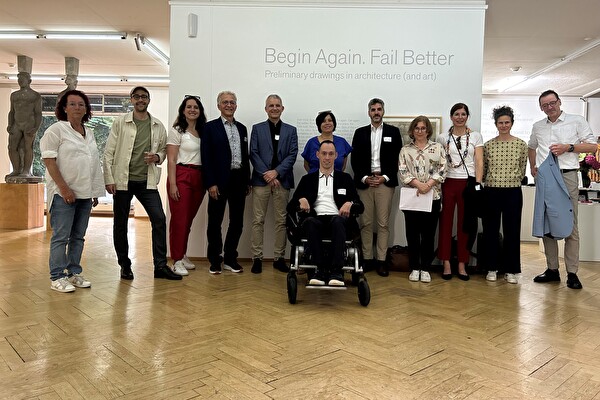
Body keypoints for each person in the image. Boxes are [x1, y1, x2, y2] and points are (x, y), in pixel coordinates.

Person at [103, 86, 181, 280]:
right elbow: (108, 152)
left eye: (144, 97)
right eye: (137, 97)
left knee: (159, 219)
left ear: (148, 100)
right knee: (120, 224)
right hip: (122, 181)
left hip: (147, 182)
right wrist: (109, 179)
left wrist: (157, 156)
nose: (140, 100)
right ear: (131, 100)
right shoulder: (121, 123)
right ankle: (125, 265)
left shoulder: (157, 125)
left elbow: (163, 151)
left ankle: (160, 266)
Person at [528, 90, 597, 289]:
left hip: (567, 175)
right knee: (547, 223)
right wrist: (533, 166)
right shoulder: (538, 126)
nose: (549, 107)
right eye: (545, 105)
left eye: (552, 103)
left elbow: (592, 147)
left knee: (570, 224)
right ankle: (552, 269)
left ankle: (572, 273)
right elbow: (532, 147)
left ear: (559, 102)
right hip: (545, 178)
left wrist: (569, 147)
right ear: (541, 107)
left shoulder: (576, 121)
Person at [40, 90, 105, 292]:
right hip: (64, 194)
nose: (78, 108)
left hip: (85, 194)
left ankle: (73, 272)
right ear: (64, 108)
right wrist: (64, 188)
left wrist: (94, 190)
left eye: (81, 104)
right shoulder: (56, 130)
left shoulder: (89, 132)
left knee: (78, 236)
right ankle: (57, 276)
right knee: (61, 236)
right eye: (73, 104)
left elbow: (93, 163)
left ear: (86, 109)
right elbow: (49, 162)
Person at [288, 140, 364, 285]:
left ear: (336, 156)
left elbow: (360, 206)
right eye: (324, 153)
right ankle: (318, 270)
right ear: (318, 155)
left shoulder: (345, 179)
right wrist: (300, 201)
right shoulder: (307, 180)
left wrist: (350, 203)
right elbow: (290, 207)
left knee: (337, 221)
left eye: (330, 154)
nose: (327, 157)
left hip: (338, 219)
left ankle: (336, 272)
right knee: (310, 222)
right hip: (316, 219)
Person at [351, 98, 402, 277]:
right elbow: (355, 160)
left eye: (379, 109)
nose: (376, 112)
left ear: (383, 111)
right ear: (369, 112)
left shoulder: (393, 132)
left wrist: (385, 177)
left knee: (383, 224)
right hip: (365, 182)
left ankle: (381, 260)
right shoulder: (360, 133)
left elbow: (398, 159)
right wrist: (365, 178)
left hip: (385, 183)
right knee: (365, 223)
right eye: (373, 109)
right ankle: (367, 259)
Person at [201, 91, 250, 274]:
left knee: (237, 222)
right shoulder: (210, 128)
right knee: (215, 222)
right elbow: (206, 157)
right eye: (225, 102)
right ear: (218, 105)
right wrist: (211, 183)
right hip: (218, 181)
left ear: (236, 105)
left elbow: (245, 157)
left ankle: (230, 258)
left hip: (239, 180)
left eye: (232, 102)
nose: (229, 105)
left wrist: (247, 181)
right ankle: (215, 260)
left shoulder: (242, 128)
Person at [249, 94, 298, 274]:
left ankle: (278, 258)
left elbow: (292, 154)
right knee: (257, 220)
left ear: (282, 108)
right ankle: (257, 258)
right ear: (266, 109)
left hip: (282, 181)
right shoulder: (257, 129)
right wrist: (267, 174)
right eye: (271, 105)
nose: (274, 108)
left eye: (277, 105)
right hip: (261, 181)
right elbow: (253, 153)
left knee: (281, 221)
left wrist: (276, 172)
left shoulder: (291, 130)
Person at [436, 103, 484, 281]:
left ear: (467, 116)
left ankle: (462, 263)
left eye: (463, 114)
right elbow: (440, 162)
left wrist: (478, 184)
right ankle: (446, 262)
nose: (460, 117)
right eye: (456, 114)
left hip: (468, 183)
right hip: (448, 182)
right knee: (446, 223)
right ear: (451, 117)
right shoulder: (442, 138)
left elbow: (479, 161)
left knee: (465, 225)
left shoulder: (476, 136)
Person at [482, 106, 528, 284]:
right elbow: (485, 169)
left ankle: (511, 269)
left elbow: (522, 167)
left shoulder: (520, 144)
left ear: (512, 123)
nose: (503, 125)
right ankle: (491, 268)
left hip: (513, 192)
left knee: (512, 231)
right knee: (490, 231)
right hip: (492, 190)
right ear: (495, 124)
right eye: (500, 122)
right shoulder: (488, 145)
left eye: (506, 122)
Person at [399, 116, 447, 283]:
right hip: (412, 197)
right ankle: (414, 267)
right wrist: (419, 185)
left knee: (428, 235)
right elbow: (403, 171)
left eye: (423, 128)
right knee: (412, 235)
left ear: (428, 130)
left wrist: (428, 185)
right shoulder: (405, 150)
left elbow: (442, 169)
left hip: (432, 196)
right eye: (417, 128)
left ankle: (425, 268)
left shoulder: (437, 148)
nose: (420, 131)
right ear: (412, 131)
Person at [166, 95, 207, 276]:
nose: (192, 110)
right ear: (183, 110)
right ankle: (176, 260)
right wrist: (173, 184)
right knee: (179, 220)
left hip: (199, 177)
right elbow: (172, 159)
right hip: (181, 176)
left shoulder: (203, 130)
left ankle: (182, 254)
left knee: (188, 220)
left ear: (200, 111)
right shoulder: (177, 131)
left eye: (196, 107)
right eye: (189, 107)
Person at [6, 72, 42, 178]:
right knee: (12, 147)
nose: (20, 81)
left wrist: (36, 127)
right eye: (19, 79)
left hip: (29, 123)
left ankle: (26, 170)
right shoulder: (14, 95)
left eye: (23, 79)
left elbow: (38, 113)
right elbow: (11, 111)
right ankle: (16, 169)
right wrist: (9, 124)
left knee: (28, 147)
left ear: (29, 81)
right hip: (16, 123)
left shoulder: (35, 95)